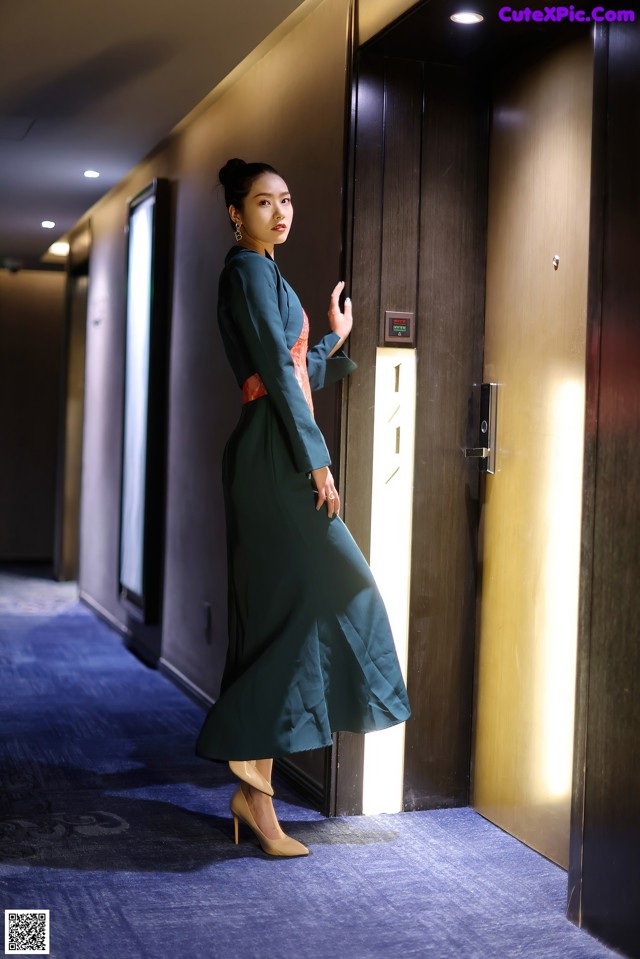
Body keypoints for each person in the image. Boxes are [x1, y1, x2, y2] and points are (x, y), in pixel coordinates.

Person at [195, 158, 410, 857]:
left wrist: (334, 341)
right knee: (331, 589)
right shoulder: (246, 272)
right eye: (263, 202)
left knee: (287, 610)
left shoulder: (266, 271)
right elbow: (282, 386)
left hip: (275, 446)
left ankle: (254, 791)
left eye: (285, 200)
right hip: (275, 457)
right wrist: (317, 458)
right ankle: (250, 770)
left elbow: (291, 371)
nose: (279, 213)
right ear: (236, 212)